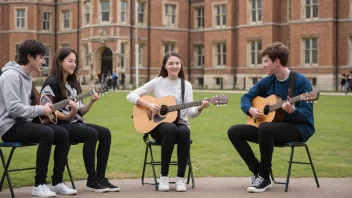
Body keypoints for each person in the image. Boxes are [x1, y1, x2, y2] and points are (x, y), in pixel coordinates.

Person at [227, 42, 315, 193]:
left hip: (298, 129)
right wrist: (251, 109)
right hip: (269, 129)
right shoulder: (268, 80)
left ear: (276, 62)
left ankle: (265, 176)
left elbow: (307, 114)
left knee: (265, 127)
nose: (263, 65)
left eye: (266, 61)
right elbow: (246, 98)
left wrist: (293, 110)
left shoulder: (301, 81)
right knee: (234, 131)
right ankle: (257, 172)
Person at [0, 40, 77, 197]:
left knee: (62, 133)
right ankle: (39, 184)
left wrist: (43, 112)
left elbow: (28, 107)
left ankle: (56, 182)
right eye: (41, 57)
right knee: (46, 133)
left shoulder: (27, 77)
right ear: (30, 57)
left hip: (23, 123)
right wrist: (41, 109)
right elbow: (13, 108)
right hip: (9, 127)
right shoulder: (10, 76)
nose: (44, 61)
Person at [126, 51, 209, 192]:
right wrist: (149, 105)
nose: (174, 66)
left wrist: (200, 107)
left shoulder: (186, 85)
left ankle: (180, 178)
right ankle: (163, 176)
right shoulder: (158, 82)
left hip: (180, 124)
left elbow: (190, 112)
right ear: (165, 66)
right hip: (159, 127)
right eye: (171, 63)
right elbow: (130, 95)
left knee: (184, 130)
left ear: (180, 65)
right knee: (170, 128)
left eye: (177, 63)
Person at [40, 48, 119, 193]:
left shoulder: (74, 83)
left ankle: (100, 178)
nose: (73, 64)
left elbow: (80, 112)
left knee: (105, 133)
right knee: (91, 133)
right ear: (59, 61)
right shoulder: (51, 83)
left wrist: (91, 102)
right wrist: (69, 115)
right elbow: (46, 108)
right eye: (70, 61)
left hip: (74, 122)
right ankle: (92, 179)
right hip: (59, 125)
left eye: (75, 61)